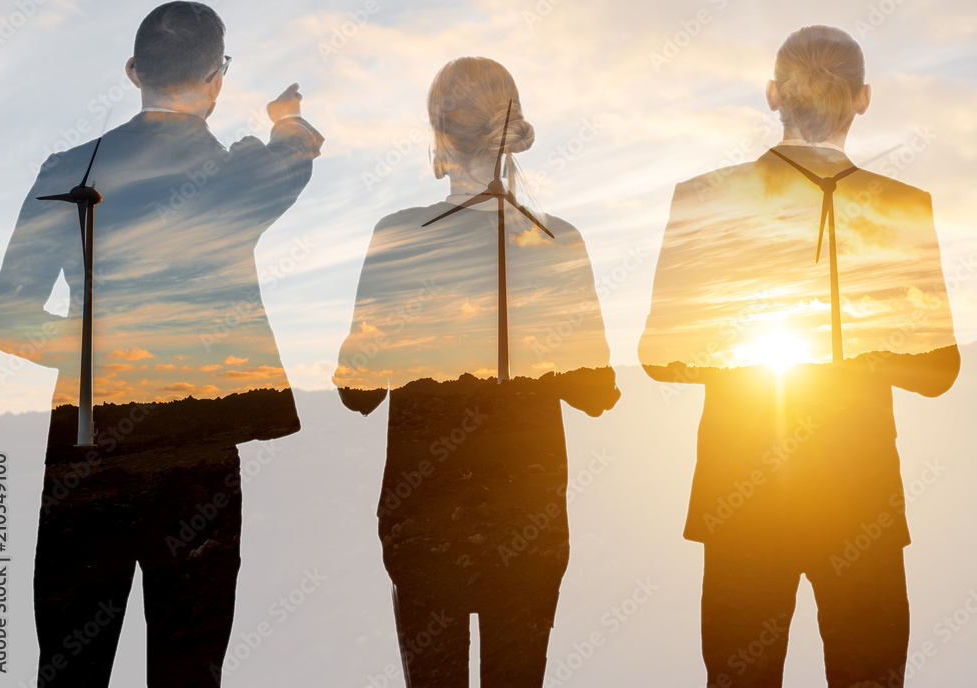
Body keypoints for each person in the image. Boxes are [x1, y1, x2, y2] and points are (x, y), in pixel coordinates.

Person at [0, 2, 324, 685]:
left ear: (134, 70)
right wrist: (283, 118)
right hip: (196, 449)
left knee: (68, 669)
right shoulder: (239, 176)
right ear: (217, 79)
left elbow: (7, 318)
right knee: (188, 670)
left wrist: (99, 349)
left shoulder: (66, 169)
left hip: (84, 447)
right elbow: (294, 152)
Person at [638, 25, 958, 688]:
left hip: (741, 507)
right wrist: (857, 354)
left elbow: (660, 356)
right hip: (862, 507)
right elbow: (938, 370)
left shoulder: (703, 199)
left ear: (773, 94)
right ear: (863, 98)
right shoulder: (904, 208)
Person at [334, 56, 619, 687]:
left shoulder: (397, 236)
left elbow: (357, 391)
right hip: (529, 520)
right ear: (513, 133)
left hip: (424, 519)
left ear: (436, 134)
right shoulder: (555, 239)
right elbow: (597, 393)